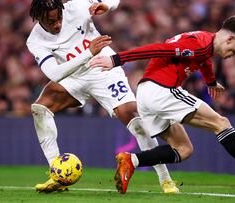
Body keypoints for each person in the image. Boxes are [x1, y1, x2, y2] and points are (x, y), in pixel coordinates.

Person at [89, 15, 235, 194]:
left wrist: (211, 81)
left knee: (183, 149)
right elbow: (159, 49)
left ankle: (131, 160)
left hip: (146, 94)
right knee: (221, 123)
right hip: (161, 90)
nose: (234, 54)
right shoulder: (198, 45)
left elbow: (204, 60)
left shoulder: (204, 41)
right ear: (230, 38)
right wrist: (117, 59)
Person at [26, 0, 178, 193]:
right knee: (40, 109)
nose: (57, 24)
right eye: (51, 21)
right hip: (73, 77)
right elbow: (55, 74)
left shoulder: (77, 6)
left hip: (103, 68)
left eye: (59, 18)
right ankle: (58, 174)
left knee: (135, 120)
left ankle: (165, 180)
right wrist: (88, 52)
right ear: (38, 18)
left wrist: (108, 5)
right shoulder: (35, 40)